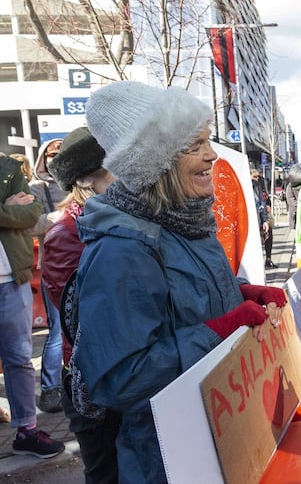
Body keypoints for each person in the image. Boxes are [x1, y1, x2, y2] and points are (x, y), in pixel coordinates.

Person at [74, 80, 288, 483]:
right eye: (194, 146)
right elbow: (121, 380)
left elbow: (184, 300)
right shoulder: (122, 251)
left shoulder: (186, 222)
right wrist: (218, 331)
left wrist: (242, 295)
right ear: (155, 163)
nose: (211, 156)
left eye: (208, 141)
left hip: (224, 433)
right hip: (171, 461)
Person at [41, 127, 121, 483]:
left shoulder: (116, 222)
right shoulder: (65, 236)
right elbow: (87, 315)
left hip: (123, 375)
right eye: (117, 166)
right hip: (96, 387)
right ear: (88, 179)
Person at [0, 152, 65, 458]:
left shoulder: (9, 168)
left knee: (20, 359)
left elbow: (30, 215)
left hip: (14, 278)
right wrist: (5, 210)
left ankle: (26, 430)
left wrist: (10, 212)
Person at [29, 138, 68, 413]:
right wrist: (61, 215)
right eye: (51, 154)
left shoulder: (78, 182)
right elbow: (32, 225)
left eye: (60, 154)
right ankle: (50, 389)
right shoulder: (36, 188)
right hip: (53, 268)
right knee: (56, 332)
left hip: (83, 265)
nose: (56, 158)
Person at [251, 168, 277, 269]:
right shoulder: (251, 184)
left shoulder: (260, 182)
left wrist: (268, 205)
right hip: (258, 215)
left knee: (268, 236)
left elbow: (264, 197)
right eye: (254, 176)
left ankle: (268, 258)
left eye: (258, 176)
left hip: (264, 213)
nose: (257, 178)